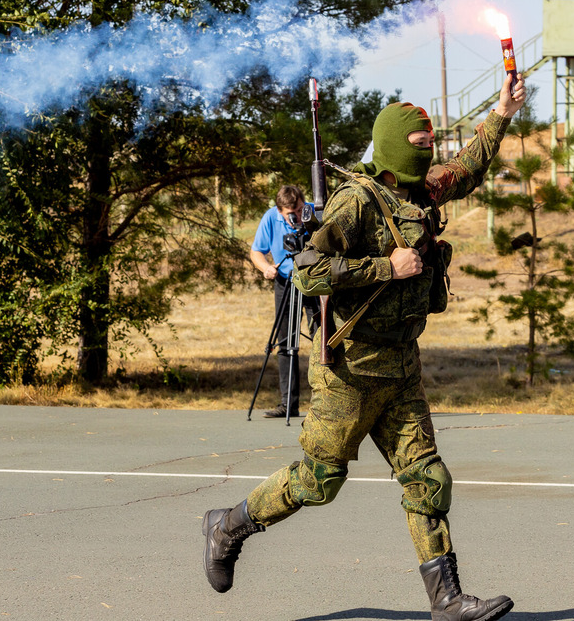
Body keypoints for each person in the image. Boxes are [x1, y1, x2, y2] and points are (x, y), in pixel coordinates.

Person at [204, 75, 527, 621]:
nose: (430, 154)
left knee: (428, 477)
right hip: (349, 370)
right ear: (396, 147)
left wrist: (501, 112)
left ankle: (446, 601)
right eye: (421, 146)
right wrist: (387, 266)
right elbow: (308, 274)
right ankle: (226, 525)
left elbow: (469, 168)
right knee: (320, 480)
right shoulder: (357, 201)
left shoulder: (420, 193)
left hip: (400, 365)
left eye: (431, 145)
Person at [249, 184, 320, 418]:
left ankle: (325, 403)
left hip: (313, 280)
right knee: (285, 342)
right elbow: (256, 252)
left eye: (299, 210)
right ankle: (288, 404)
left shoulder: (314, 212)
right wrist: (266, 268)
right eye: (291, 213)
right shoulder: (270, 218)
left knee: (322, 337)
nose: (297, 216)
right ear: (279, 210)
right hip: (285, 281)